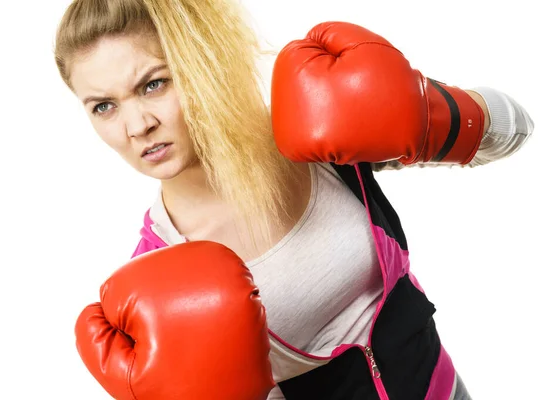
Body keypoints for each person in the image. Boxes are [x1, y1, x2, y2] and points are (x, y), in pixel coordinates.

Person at [53, 0, 534, 399]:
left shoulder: (316, 134)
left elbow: (516, 130)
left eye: (153, 84)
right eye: (104, 106)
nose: (136, 126)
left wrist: (438, 114)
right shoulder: (158, 269)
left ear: (200, 67)